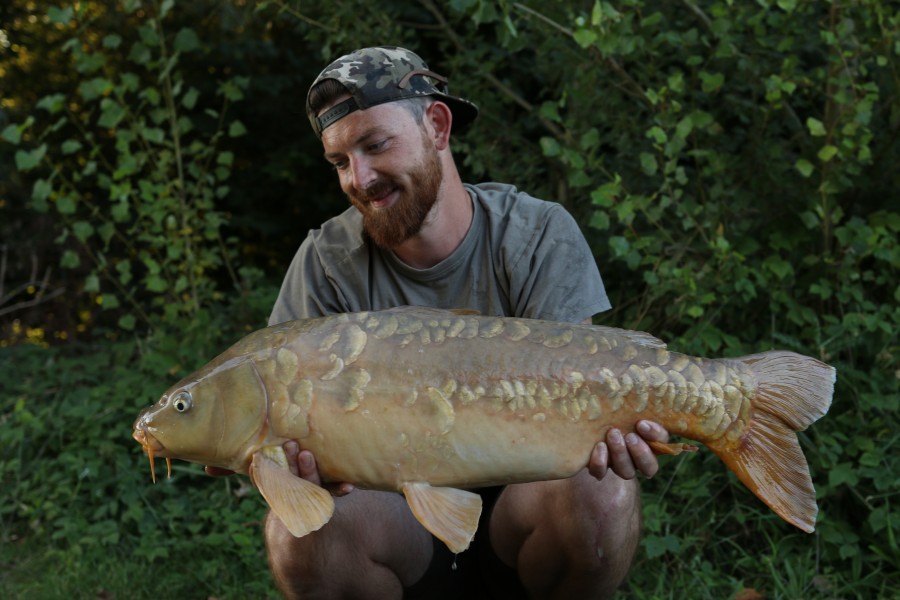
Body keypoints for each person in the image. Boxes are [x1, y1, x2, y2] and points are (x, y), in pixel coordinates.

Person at [260, 46, 670, 599]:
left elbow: (586, 394)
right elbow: (281, 430)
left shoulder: (536, 234)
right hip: (394, 519)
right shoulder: (325, 264)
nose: (359, 177)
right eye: (339, 162)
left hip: (524, 514)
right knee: (294, 532)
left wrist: (616, 428)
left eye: (375, 145)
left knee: (603, 492)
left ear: (436, 125)